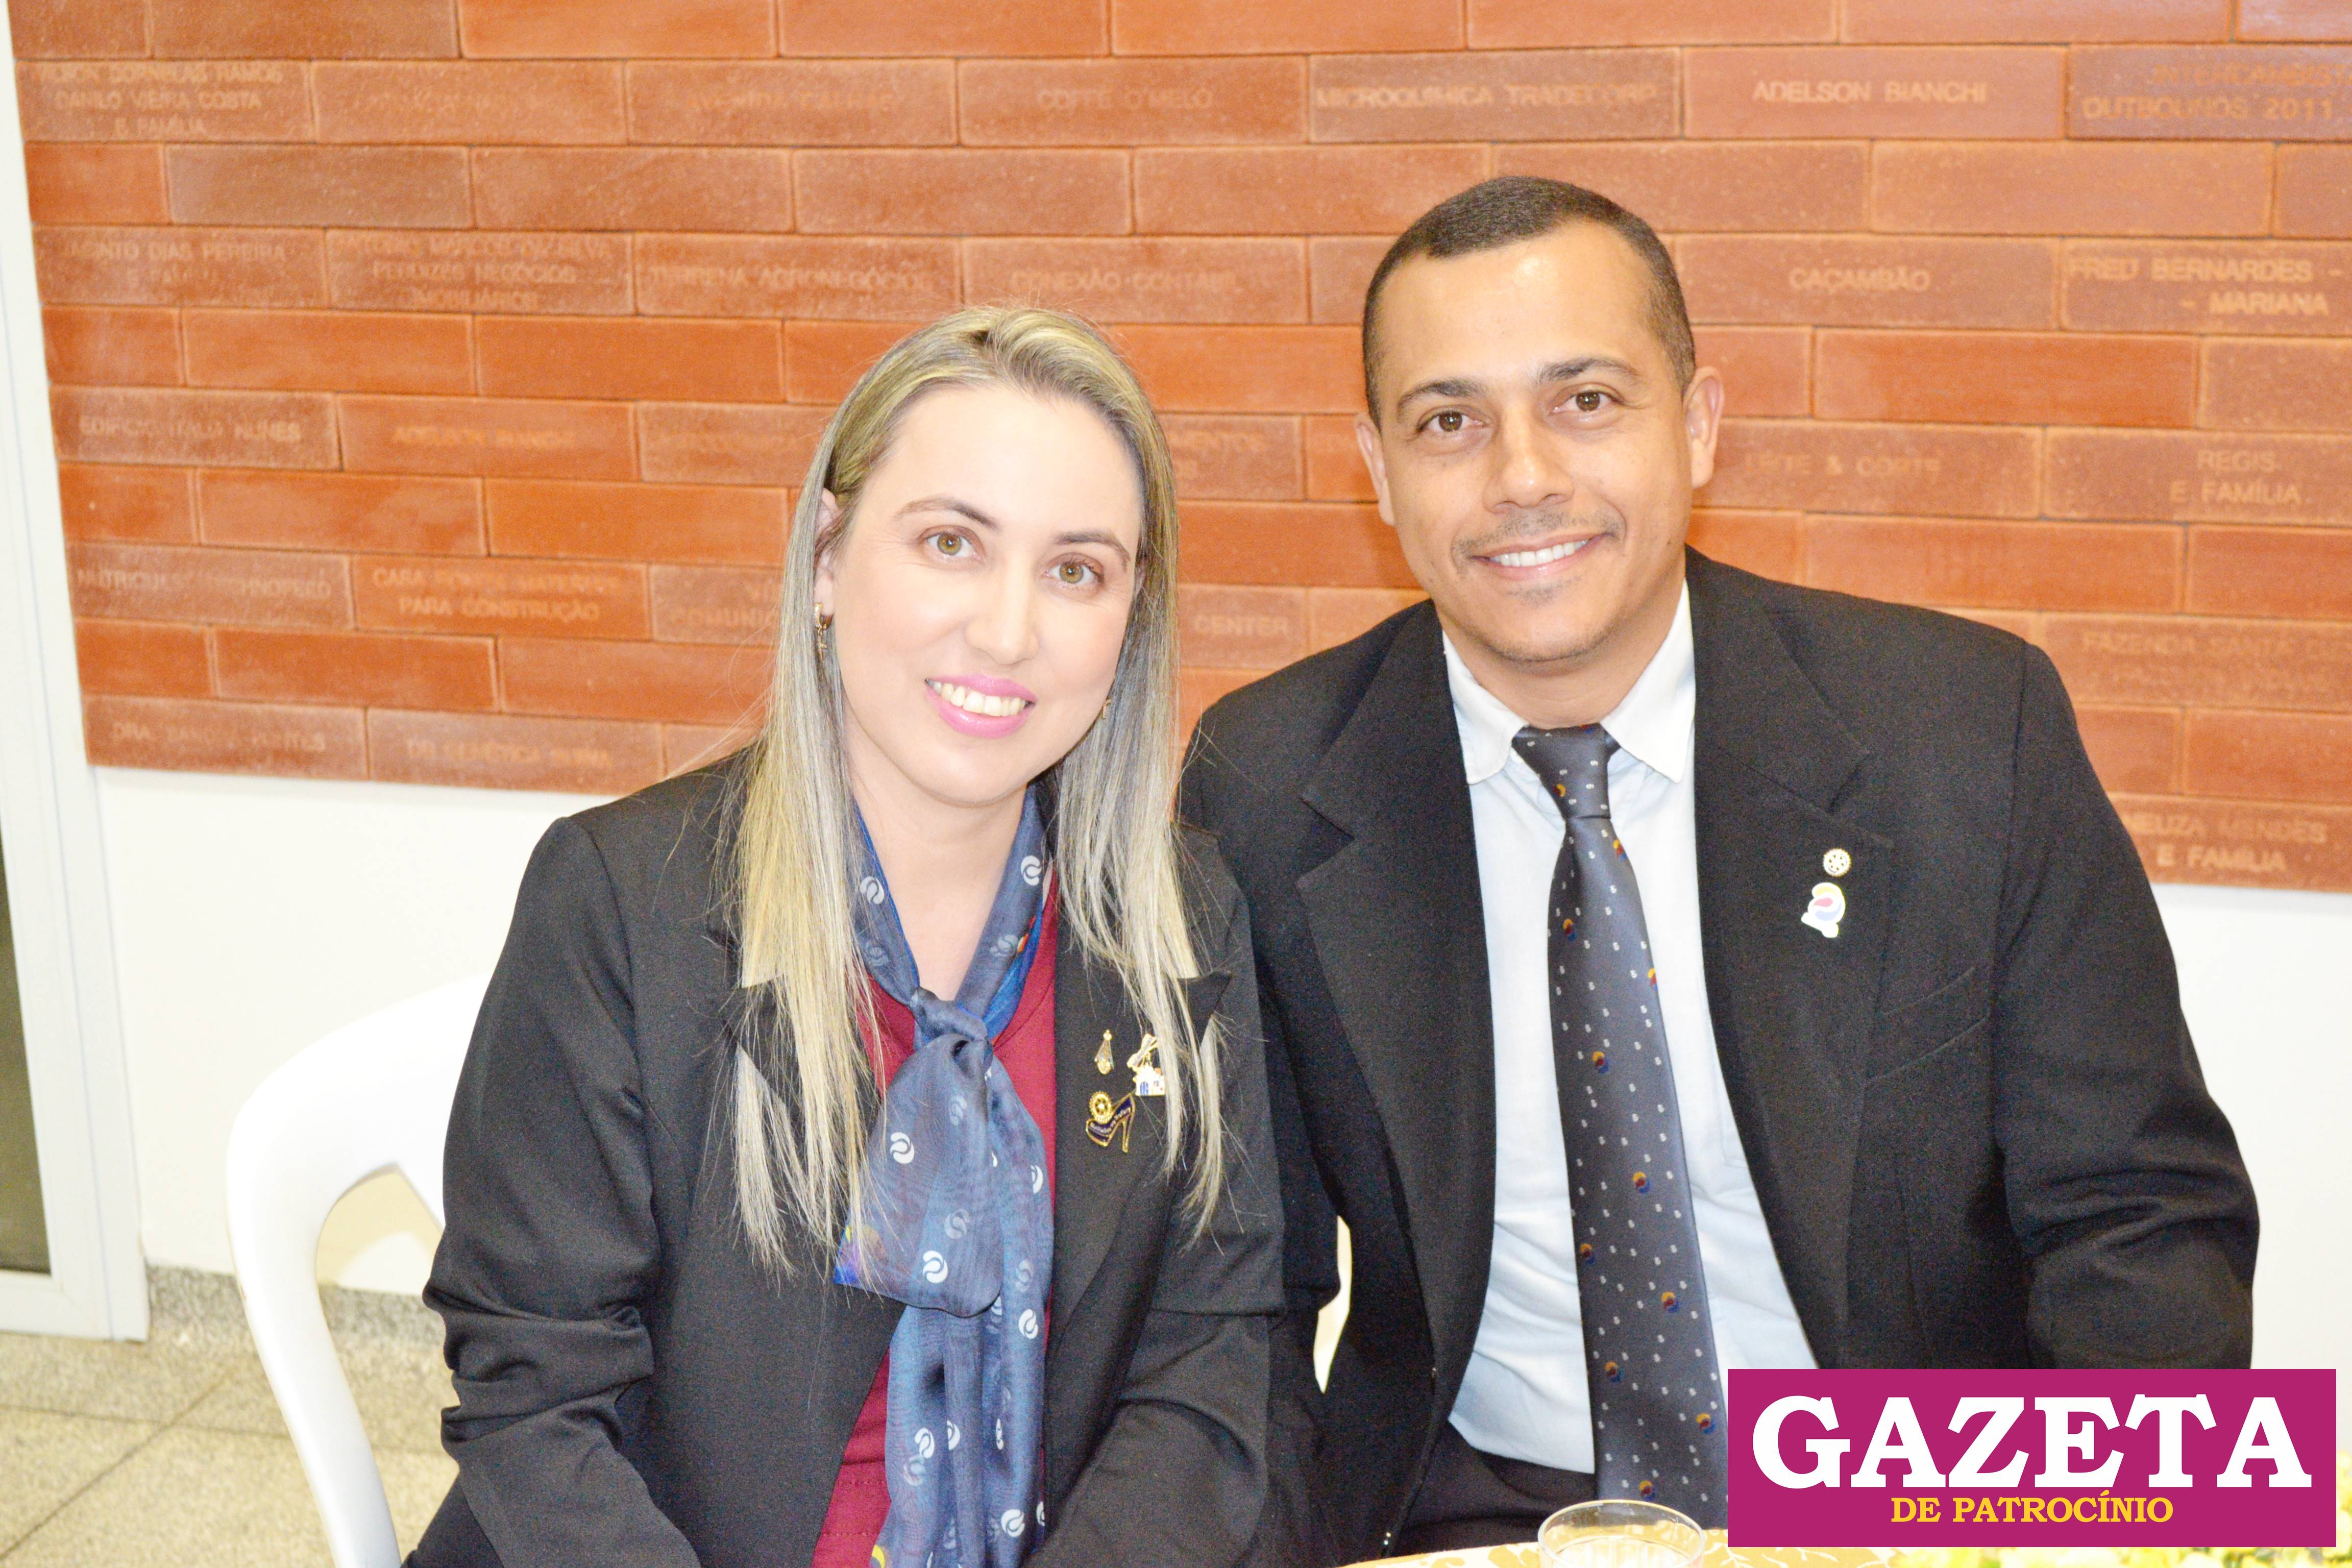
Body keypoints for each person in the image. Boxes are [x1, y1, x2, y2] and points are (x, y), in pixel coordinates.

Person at [1181, 177, 2258, 1564]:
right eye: (1449, 422)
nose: (1521, 476)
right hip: (1472, 1503)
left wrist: (2083, 1542)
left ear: (1696, 426)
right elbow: (1237, 1298)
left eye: (1586, 401)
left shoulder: (1964, 729)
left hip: (1912, 1498)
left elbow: (2140, 1219)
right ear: (1377, 473)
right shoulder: (1267, 782)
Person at [411, 307, 1280, 1568]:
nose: (1007, 630)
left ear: (1130, 617)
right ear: (827, 557)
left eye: (1076, 571)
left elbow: (1211, 1361)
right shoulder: (621, 904)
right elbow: (538, 1405)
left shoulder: (1179, 920)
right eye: (950, 543)